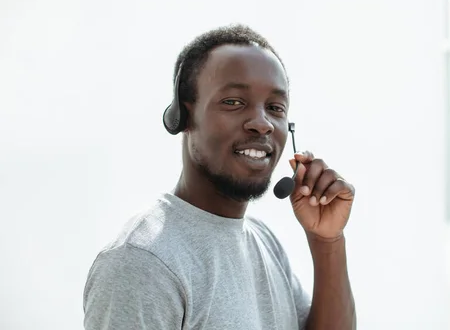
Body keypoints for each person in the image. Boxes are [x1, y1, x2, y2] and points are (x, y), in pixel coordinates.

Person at [82, 24, 356, 330]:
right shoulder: (142, 262)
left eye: (275, 107)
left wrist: (327, 241)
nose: (262, 124)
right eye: (233, 102)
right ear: (184, 118)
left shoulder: (264, 242)